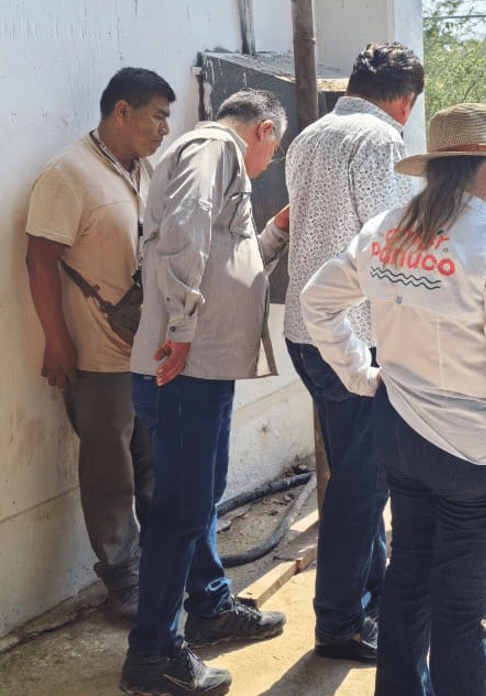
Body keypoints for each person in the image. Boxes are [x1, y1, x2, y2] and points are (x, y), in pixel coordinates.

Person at [301, 103, 486, 696]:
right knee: (459, 613)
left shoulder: (385, 230)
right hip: (470, 455)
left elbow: (316, 300)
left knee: (409, 578)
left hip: (400, 435)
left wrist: (362, 375)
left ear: (432, 168)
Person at [120, 89, 290, 696]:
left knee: (198, 498)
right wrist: (181, 328)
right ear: (264, 130)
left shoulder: (216, 157)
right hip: (182, 369)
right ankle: (152, 655)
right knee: (181, 511)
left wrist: (273, 233)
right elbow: (184, 229)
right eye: (274, 150)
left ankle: (210, 607)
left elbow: (226, 262)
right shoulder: (214, 146)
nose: (267, 165)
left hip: (200, 371)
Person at [281, 41, 424, 664]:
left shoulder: (307, 137)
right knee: (362, 488)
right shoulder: (384, 141)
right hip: (355, 339)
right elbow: (394, 246)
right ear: (405, 101)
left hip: (305, 332)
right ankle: (338, 624)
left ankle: (370, 593)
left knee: (355, 475)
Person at [24, 67, 174, 623]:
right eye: (158, 116)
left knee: (153, 461)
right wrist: (57, 341)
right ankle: (123, 578)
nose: (165, 128)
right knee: (111, 471)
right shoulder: (69, 174)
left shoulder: (143, 170)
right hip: (98, 353)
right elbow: (39, 260)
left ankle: (161, 565)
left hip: (148, 349)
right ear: (122, 111)